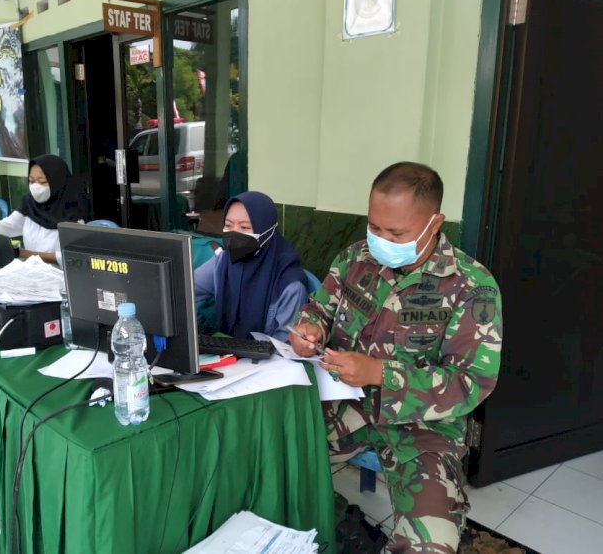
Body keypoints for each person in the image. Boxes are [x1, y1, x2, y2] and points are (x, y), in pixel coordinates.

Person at [289, 162, 502, 553]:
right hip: (341, 407)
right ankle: (341, 522)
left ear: (434, 222)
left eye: (396, 232)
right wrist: (309, 329)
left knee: (431, 546)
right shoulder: (355, 259)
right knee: (271, 469)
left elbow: (470, 383)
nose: (381, 240)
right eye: (374, 227)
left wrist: (379, 373)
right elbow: (319, 308)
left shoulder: (472, 286)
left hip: (423, 427)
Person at [194, 191, 308, 342]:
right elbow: (187, 289)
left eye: (245, 227)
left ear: (267, 230)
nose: (234, 233)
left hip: (267, 362)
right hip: (225, 355)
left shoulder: (289, 284)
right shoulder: (223, 262)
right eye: (228, 225)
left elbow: (286, 345)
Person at [0, 155, 86, 264]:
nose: (36, 186)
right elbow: (5, 227)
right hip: (31, 271)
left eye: (42, 182)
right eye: (31, 181)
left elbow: (69, 258)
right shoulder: (30, 206)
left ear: (58, 182)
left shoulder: (72, 218)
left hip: (58, 276)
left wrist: (24, 253)